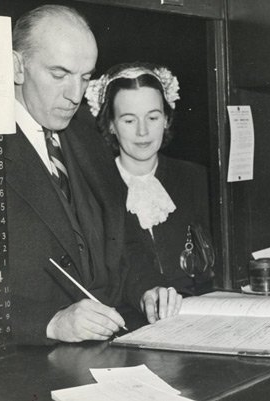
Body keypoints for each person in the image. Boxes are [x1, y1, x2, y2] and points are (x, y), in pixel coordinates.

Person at [8, 4, 182, 345]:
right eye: (59, 75)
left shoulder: (86, 133)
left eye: (85, 77)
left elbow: (123, 238)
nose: (75, 95)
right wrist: (51, 322)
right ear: (16, 66)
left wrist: (147, 289)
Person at [84, 61, 213, 295]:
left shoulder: (195, 178)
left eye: (152, 118)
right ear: (111, 124)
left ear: (166, 119)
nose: (142, 132)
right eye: (129, 120)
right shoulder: (93, 188)